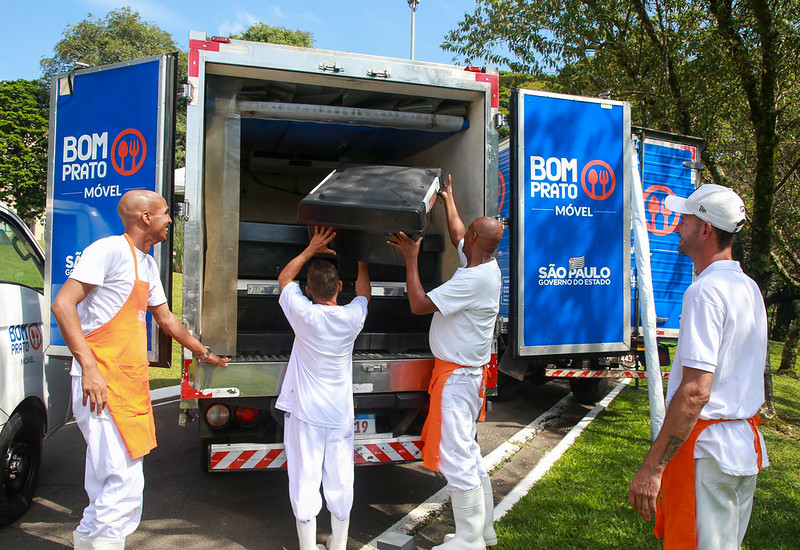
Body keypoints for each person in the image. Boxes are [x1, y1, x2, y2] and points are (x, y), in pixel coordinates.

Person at [51, 190, 230, 550]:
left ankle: (89, 541)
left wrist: (203, 351)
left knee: (107, 477)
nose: (170, 220)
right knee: (121, 481)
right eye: (165, 213)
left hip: (126, 381)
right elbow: (63, 305)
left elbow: (166, 318)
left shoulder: (145, 264)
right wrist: (89, 368)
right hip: (101, 382)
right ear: (145, 217)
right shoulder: (108, 251)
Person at [628, 183, 769, 549]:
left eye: (684, 220)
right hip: (741, 446)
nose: (677, 226)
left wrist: (652, 468)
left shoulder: (705, 291)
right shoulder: (748, 287)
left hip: (708, 451)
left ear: (705, 229)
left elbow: (695, 392)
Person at [389, 175, 503, 550]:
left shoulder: (473, 281)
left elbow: (419, 304)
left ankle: (469, 540)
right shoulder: (484, 263)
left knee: (456, 457)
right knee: (469, 453)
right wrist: (448, 199)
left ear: (476, 238)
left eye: (469, 231)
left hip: (456, 380)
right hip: (466, 376)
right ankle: (483, 531)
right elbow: (458, 235)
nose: (463, 233)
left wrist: (411, 259)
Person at [276, 225, 370, 550]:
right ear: (339, 287)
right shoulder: (351, 318)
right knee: (341, 480)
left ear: (307, 289)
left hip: (306, 414)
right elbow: (364, 295)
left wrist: (311, 248)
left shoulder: (304, 314)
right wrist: (362, 258)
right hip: (339, 415)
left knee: (304, 480)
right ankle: (338, 544)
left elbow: (284, 279)